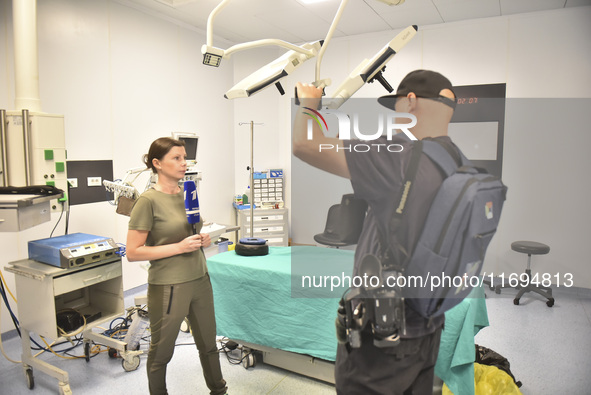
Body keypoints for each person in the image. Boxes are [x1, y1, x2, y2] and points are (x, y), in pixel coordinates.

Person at [293, 70, 459, 394]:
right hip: (429, 327)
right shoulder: (454, 162)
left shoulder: (398, 157)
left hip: (384, 337)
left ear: (411, 102)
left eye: (397, 105)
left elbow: (304, 145)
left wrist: (308, 105)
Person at [126, 137, 227, 395]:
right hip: (169, 285)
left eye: (185, 158)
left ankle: (219, 390)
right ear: (157, 164)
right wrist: (180, 247)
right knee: (161, 353)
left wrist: (202, 238)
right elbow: (133, 252)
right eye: (177, 158)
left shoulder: (188, 193)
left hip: (200, 279)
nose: (184, 163)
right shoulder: (147, 201)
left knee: (208, 344)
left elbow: (193, 229)